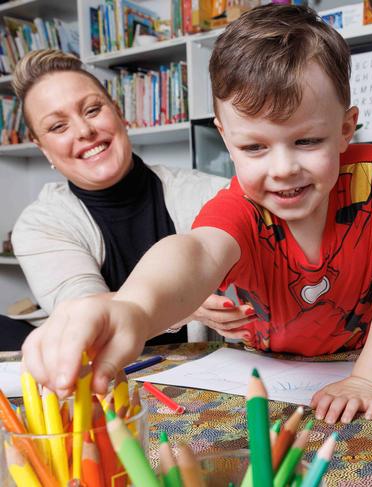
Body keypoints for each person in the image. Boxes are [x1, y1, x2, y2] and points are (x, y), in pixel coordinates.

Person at [22, 5, 372, 424]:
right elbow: (197, 252)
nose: (282, 169)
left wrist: (367, 380)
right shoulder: (237, 203)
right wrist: (134, 307)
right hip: (268, 379)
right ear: (225, 137)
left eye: (308, 140)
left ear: (346, 129)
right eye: (255, 147)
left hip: (363, 364)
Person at [4, 49, 230, 347]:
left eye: (93, 110)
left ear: (119, 112)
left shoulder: (212, 193)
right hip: (114, 383)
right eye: (58, 126)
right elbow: (91, 320)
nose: (85, 130)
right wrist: (182, 303)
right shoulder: (38, 226)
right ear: (43, 148)